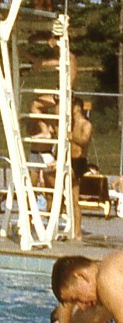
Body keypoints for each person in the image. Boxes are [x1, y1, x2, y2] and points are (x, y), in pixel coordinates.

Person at [71, 100, 94, 243]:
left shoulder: (86, 124)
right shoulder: (69, 124)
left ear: (77, 108)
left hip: (78, 162)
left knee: (75, 199)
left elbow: (84, 141)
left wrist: (71, 136)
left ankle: (77, 231)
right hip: (68, 159)